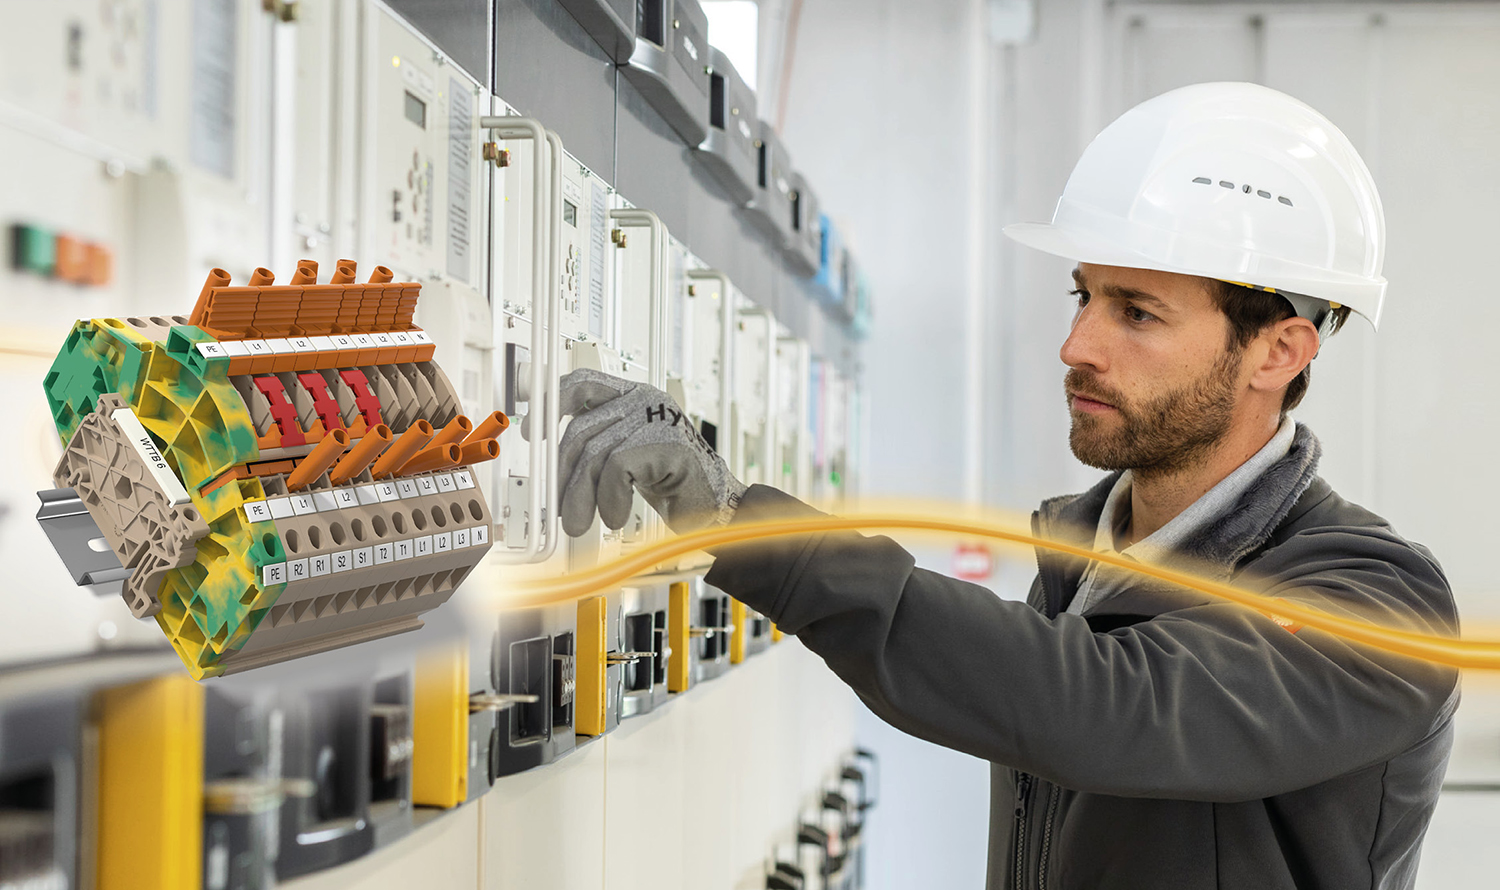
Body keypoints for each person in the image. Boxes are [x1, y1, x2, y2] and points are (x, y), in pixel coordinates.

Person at [535, 83, 1460, 889]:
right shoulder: (1081, 559)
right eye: (1083, 296)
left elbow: (1109, 707)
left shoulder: (1375, 603)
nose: (1078, 347)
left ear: (1279, 350)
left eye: (1136, 312)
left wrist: (742, 526)